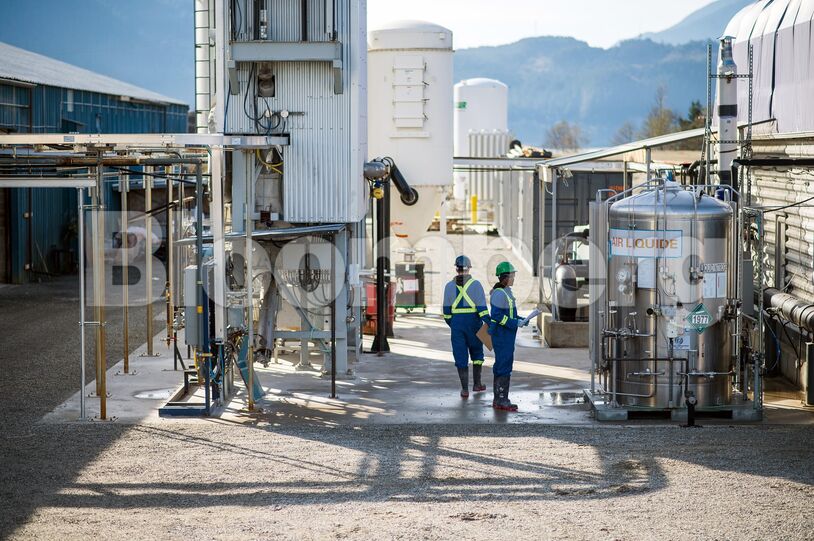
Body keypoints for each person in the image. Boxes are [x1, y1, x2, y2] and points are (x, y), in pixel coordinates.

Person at [442, 255, 491, 398]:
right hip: (474, 324)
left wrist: (455, 325)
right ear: (469, 268)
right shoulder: (476, 285)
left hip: (457, 325)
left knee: (460, 355)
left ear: (456, 269)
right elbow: (482, 310)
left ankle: (464, 389)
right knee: (477, 354)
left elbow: (446, 313)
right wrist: (489, 323)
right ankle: (477, 384)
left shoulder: (449, 286)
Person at [489, 261, 528, 411]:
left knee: (504, 364)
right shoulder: (500, 293)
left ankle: (499, 398)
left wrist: (520, 320)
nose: (513, 278)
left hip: (507, 335)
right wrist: (514, 323)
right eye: (512, 275)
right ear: (505, 277)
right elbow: (497, 316)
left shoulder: (506, 291)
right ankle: (501, 399)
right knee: (503, 365)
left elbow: (510, 313)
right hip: (502, 336)